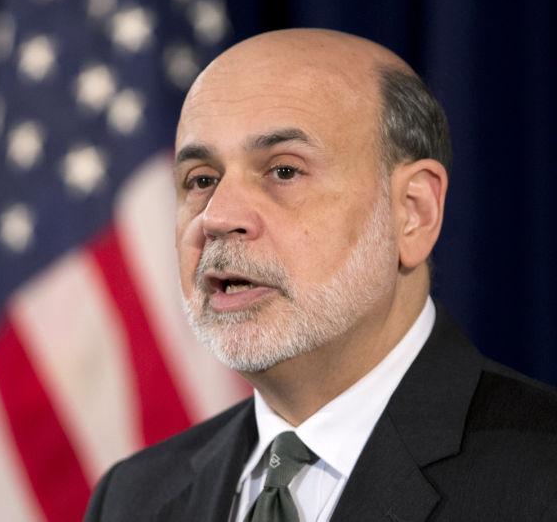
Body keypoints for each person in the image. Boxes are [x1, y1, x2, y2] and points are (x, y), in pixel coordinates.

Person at [83, 29, 557, 521]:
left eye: (284, 171)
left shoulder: (542, 478)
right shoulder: (131, 497)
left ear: (412, 212)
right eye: (201, 180)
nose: (218, 216)